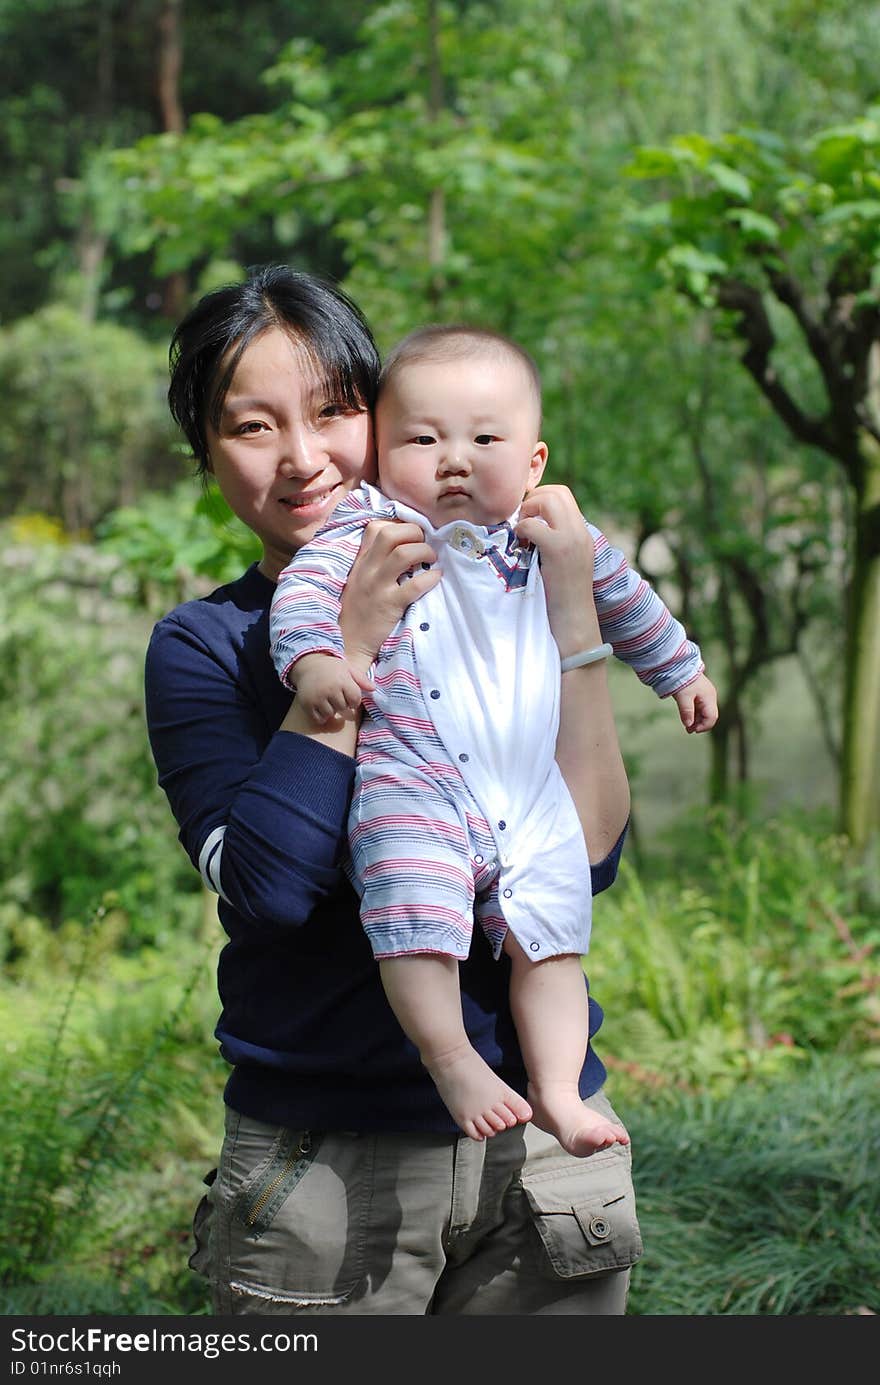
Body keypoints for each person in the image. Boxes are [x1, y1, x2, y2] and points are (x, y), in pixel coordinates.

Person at [146, 264, 642, 1316]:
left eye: (334, 410)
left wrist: (570, 615)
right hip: (324, 1171)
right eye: (250, 426)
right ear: (206, 452)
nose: (303, 457)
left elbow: (588, 856)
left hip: (546, 1152)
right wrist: (348, 646)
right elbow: (270, 889)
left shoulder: (506, 593)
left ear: (386, 413)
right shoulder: (204, 647)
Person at [268, 324, 718, 1159]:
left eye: (484, 438)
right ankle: (453, 1059)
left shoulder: (551, 539)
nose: (454, 459)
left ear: (535, 461)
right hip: (415, 782)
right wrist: (317, 660)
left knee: (551, 937)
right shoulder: (366, 534)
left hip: (529, 786)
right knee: (412, 911)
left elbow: (629, 602)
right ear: (375, 456)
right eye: (423, 438)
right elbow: (301, 596)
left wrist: (680, 671)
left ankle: (557, 1088)